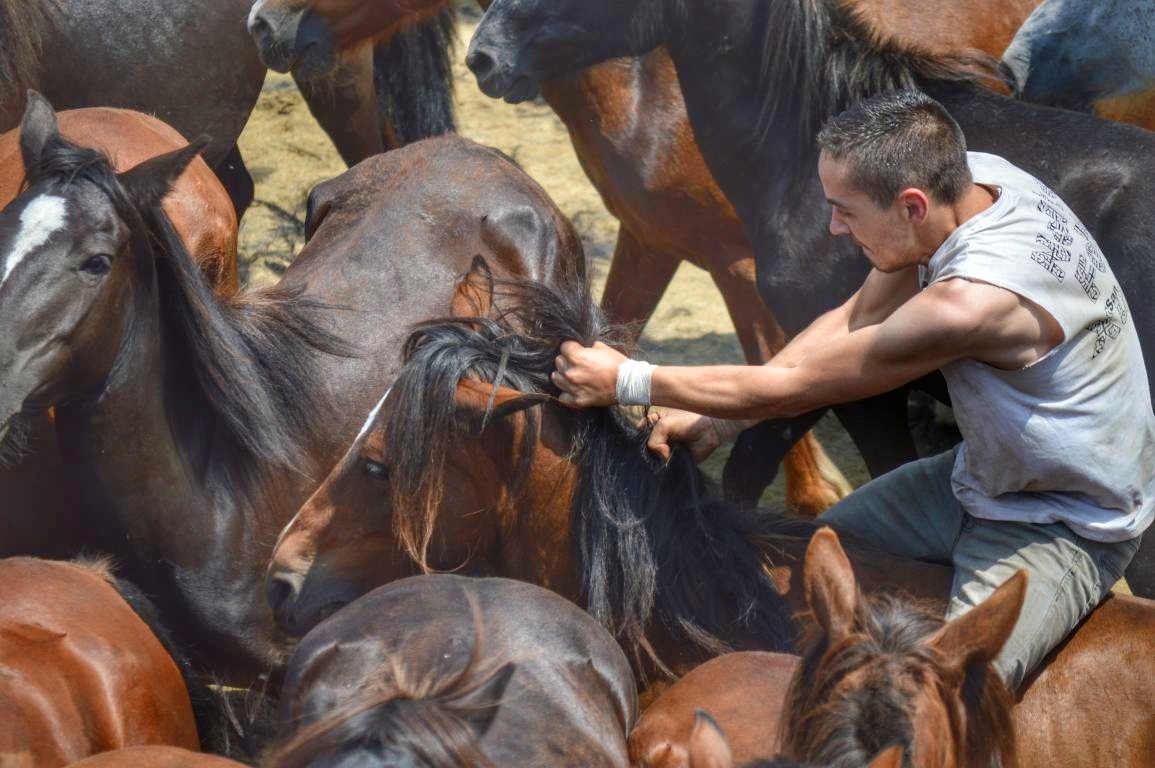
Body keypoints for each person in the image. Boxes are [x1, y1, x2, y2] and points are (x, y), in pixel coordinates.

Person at [550, 89, 1155, 689]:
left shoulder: (970, 303)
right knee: (812, 567)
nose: (835, 227)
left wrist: (625, 379)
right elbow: (852, 318)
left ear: (911, 205)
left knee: (946, 697)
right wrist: (715, 423)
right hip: (982, 476)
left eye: (846, 209)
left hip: (1065, 520)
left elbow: (790, 388)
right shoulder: (979, 182)